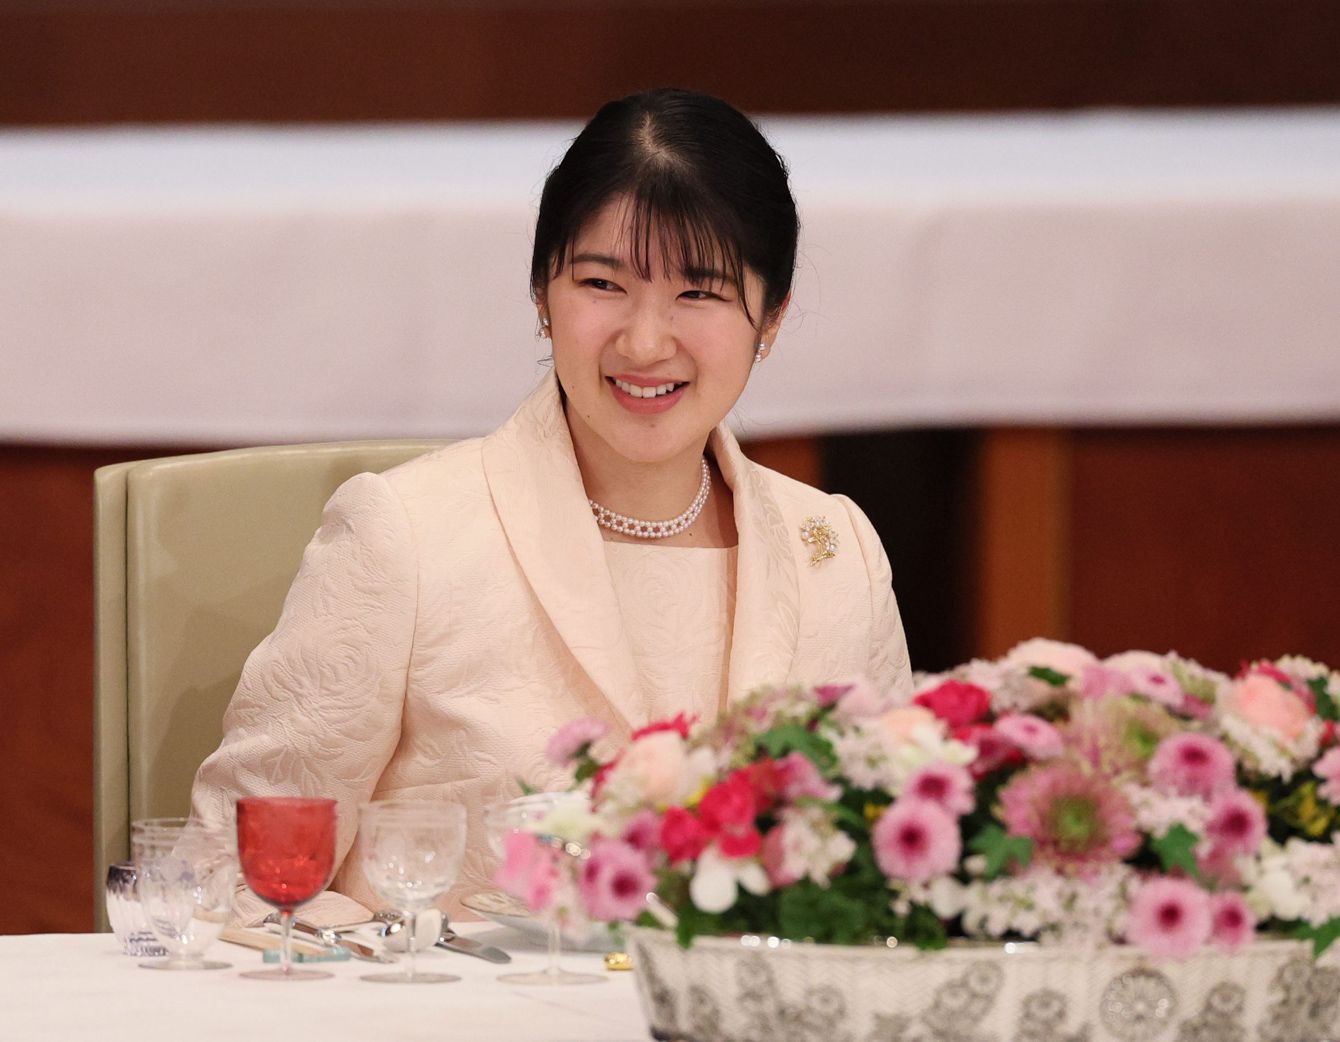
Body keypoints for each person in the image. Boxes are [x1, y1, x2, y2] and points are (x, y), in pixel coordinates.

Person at [191, 87, 912, 925]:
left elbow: (900, 876)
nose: (645, 342)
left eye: (700, 293)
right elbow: (230, 875)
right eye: (603, 283)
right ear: (542, 292)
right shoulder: (408, 536)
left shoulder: (837, 553)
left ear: (771, 319)